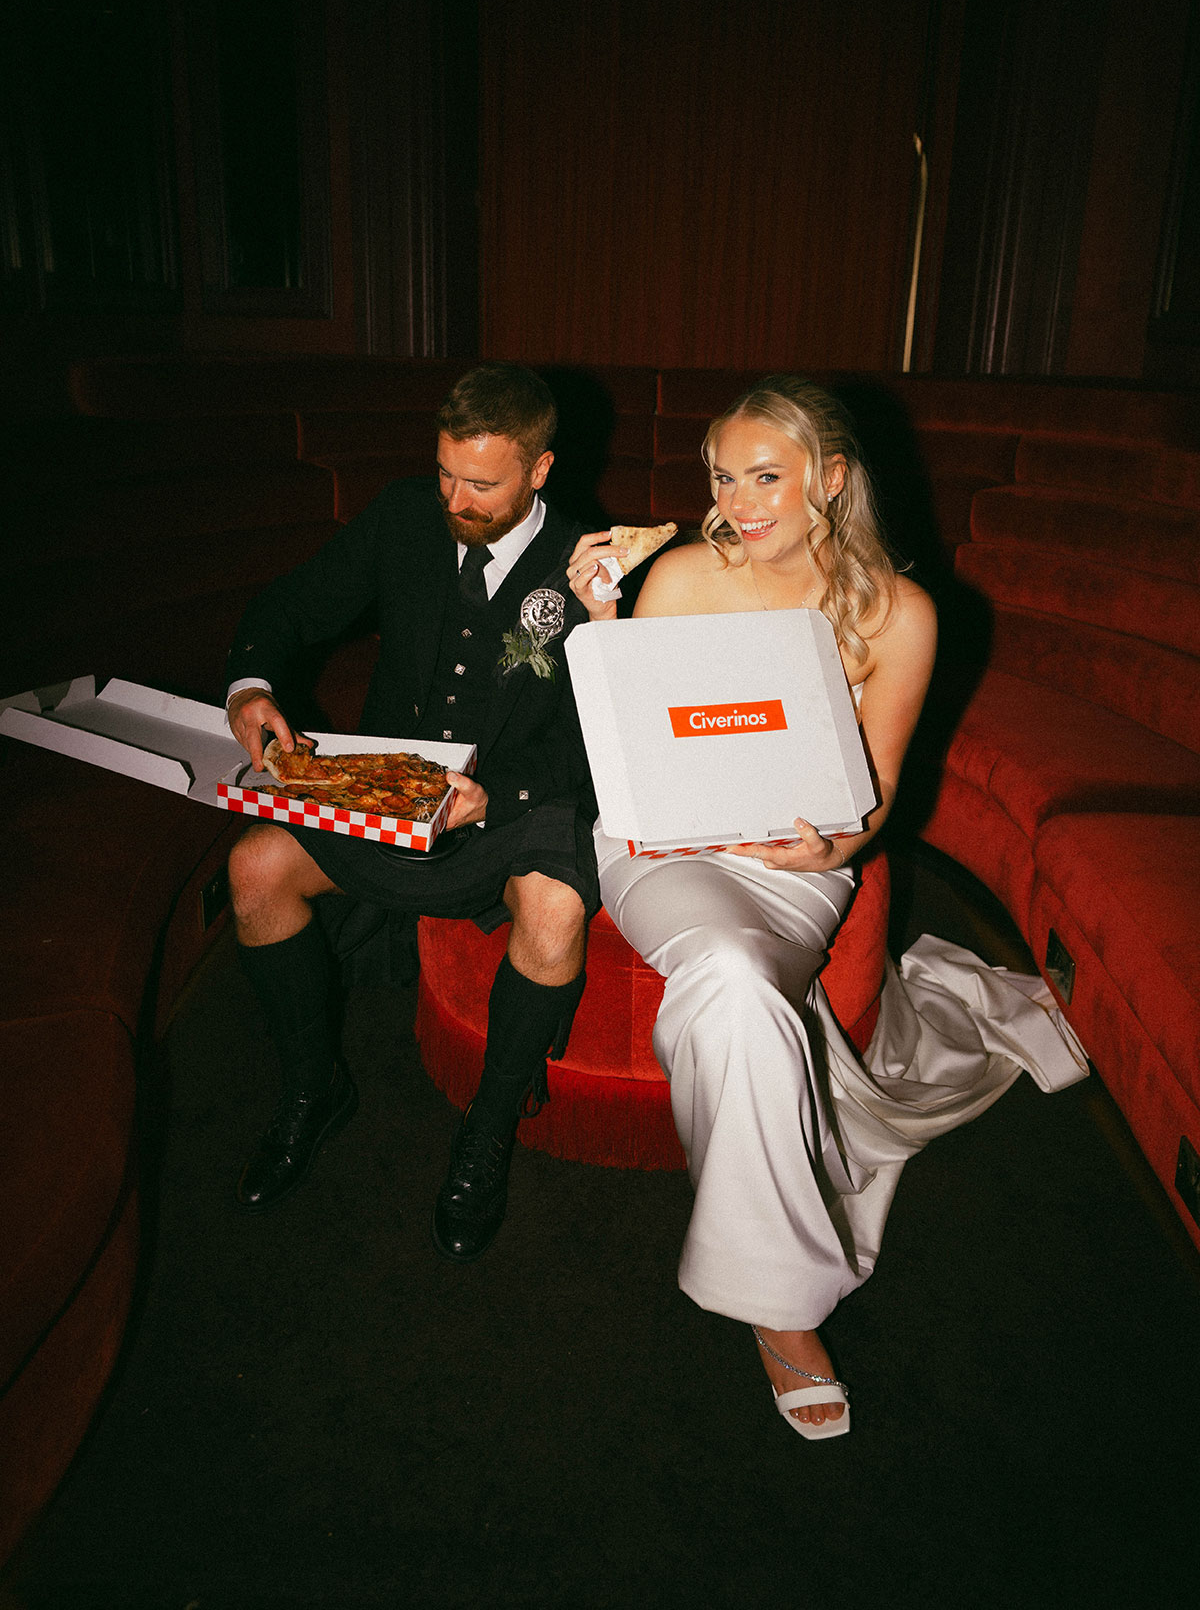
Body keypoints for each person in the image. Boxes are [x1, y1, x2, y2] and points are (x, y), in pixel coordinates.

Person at [566, 376, 1086, 1439]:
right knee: (727, 973)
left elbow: (882, 788)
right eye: (723, 475)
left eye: (768, 475)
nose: (742, 501)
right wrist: (607, 622)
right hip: (662, 844)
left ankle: (761, 1285)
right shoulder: (679, 576)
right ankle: (783, 1312)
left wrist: (831, 842)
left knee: (736, 987)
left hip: (800, 863)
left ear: (832, 479)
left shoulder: (900, 612)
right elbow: (639, 745)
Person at [224, 363, 601, 1263]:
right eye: (445, 473)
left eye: (483, 483)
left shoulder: (591, 561)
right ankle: (315, 1088)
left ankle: (488, 1127)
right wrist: (250, 687)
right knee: (253, 870)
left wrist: (494, 794)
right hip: (390, 787)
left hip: (519, 798)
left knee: (555, 910)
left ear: (540, 470)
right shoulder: (403, 516)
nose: (456, 498)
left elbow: (598, 735)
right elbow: (292, 602)